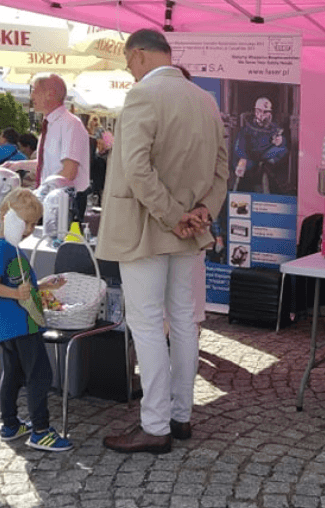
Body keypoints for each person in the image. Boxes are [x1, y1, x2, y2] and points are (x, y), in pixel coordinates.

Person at [96, 29, 228, 455]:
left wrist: (175, 216)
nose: (128, 70)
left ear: (137, 56)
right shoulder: (205, 100)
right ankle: (180, 416)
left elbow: (135, 167)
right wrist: (201, 213)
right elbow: (221, 171)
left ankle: (155, 425)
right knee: (184, 323)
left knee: (149, 324)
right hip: (188, 231)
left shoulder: (142, 96)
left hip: (147, 228)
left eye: (127, 62)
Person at [0, 188, 73, 452]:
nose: (29, 229)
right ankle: (41, 430)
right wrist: (15, 293)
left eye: (34, 224)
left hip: (13, 325)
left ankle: (11, 423)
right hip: (19, 324)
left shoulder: (12, 249)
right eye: (25, 223)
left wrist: (44, 286)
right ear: (6, 217)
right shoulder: (1, 249)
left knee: (13, 373)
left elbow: (23, 285)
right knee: (39, 374)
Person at [4, 74, 90, 194]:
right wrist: (17, 165)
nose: (31, 96)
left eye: (34, 91)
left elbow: (69, 172)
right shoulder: (50, 124)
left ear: (50, 94)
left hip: (66, 201)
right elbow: (46, 164)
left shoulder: (71, 124)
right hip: (52, 197)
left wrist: (40, 193)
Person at [232, 96, 289, 193]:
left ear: (270, 113)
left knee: (282, 151)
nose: (262, 115)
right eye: (259, 111)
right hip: (250, 161)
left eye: (265, 112)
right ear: (255, 112)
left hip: (267, 163)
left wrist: (280, 141)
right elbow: (239, 146)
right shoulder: (247, 128)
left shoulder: (274, 128)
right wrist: (242, 160)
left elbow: (283, 148)